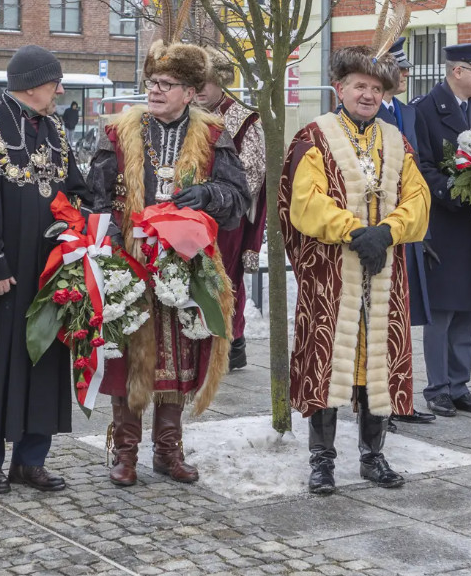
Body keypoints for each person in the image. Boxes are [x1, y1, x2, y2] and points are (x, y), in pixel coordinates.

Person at [88, 38, 249, 487]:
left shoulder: (214, 136)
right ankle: (124, 453)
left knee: (178, 358)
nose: (156, 90)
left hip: (187, 263)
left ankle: (167, 450)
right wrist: (116, 242)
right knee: (131, 358)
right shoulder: (119, 133)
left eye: (167, 83)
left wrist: (209, 194)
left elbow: (239, 200)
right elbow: (95, 197)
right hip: (132, 260)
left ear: (191, 92)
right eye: (152, 82)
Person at [278, 46, 430, 495]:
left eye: (376, 88)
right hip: (332, 272)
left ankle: (372, 455)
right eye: (359, 86)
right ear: (339, 88)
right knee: (327, 358)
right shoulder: (314, 136)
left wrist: (386, 232)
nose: (367, 94)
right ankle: (322, 461)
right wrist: (354, 231)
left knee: (377, 362)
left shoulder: (397, 140)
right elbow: (305, 201)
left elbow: (418, 200)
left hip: (384, 271)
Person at [0, 46, 91, 496]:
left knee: (44, 361)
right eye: (55, 82)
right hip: (2, 270)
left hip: (49, 268)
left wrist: (86, 226)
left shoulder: (54, 126)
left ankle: (31, 460)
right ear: (35, 83)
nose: (60, 90)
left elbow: (73, 185)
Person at [413, 42, 471, 419]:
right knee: (443, 310)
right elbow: (421, 166)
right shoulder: (425, 110)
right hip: (443, 223)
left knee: (468, 308)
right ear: (457, 71)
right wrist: (454, 192)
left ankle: (460, 386)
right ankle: (438, 387)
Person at [376, 38, 437, 428]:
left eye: (406, 70)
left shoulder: (408, 112)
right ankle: (377, 403)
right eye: (399, 70)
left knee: (403, 318)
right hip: (378, 225)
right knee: (378, 320)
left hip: (405, 225)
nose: (405, 76)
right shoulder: (357, 111)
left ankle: (402, 398)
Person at [196, 47, 265, 371]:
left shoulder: (242, 118)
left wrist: (217, 197)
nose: (198, 91)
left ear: (219, 82)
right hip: (190, 216)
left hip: (227, 219)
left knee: (224, 279)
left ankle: (231, 343)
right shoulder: (188, 114)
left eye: (204, 84)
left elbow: (252, 171)